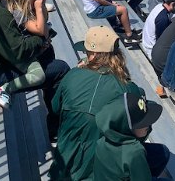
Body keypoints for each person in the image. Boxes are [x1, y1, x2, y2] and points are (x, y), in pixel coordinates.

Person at [51, 27, 144, 179]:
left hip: (64, 167)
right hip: (100, 170)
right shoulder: (128, 88)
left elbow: (55, 108)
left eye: (86, 52)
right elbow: (140, 133)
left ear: (93, 55)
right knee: (160, 155)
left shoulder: (72, 75)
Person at [92, 89, 170, 181]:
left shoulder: (102, 140)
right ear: (126, 128)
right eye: (143, 123)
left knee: (162, 152)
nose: (148, 126)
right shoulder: (135, 152)